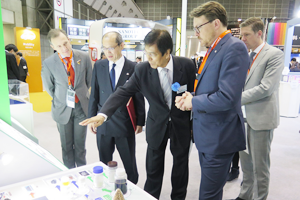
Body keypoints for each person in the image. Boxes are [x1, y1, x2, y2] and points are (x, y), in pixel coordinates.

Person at [80, 29, 195, 200]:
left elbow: (193, 93)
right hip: (157, 125)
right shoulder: (142, 70)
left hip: (181, 125)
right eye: (146, 53)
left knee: (180, 166)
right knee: (153, 169)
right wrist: (102, 114)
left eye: (153, 54)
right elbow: (122, 92)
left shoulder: (186, 65)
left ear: (167, 53)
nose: (148, 59)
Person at [175, 2, 249, 200]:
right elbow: (210, 87)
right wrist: (191, 96)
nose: (196, 33)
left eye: (198, 27)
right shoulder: (214, 48)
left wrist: (194, 103)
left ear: (216, 23)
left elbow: (227, 97)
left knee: (208, 195)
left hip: (220, 137)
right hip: (208, 135)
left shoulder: (234, 48)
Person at [232, 17, 284, 200]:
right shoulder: (247, 55)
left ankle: (260, 197)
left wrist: (233, 100)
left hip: (261, 119)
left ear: (259, 33)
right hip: (242, 118)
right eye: (241, 34)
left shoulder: (274, 55)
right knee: (246, 163)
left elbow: (266, 88)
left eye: (246, 34)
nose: (243, 38)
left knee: (260, 166)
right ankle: (245, 195)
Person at [88, 31, 145, 184]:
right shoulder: (99, 65)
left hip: (124, 123)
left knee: (129, 163)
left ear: (122, 45)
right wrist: (92, 117)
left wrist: (140, 121)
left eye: (112, 47)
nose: (108, 52)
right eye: (105, 48)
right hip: (103, 123)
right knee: (104, 161)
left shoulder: (133, 67)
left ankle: (133, 188)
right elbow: (94, 93)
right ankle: (107, 186)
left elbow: (138, 96)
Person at [41, 29, 92, 169]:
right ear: (53, 47)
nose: (64, 48)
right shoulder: (48, 63)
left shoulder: (84, 56)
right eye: (58, 46)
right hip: (62, 110)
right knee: (67, 146)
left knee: (80, 146)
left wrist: (79, 95)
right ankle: (69, 173)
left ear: (69, 39)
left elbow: (89, 81)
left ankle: (82, 171)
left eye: (65, 43)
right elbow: (49, 88)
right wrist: (62, 99)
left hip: (81, 107)